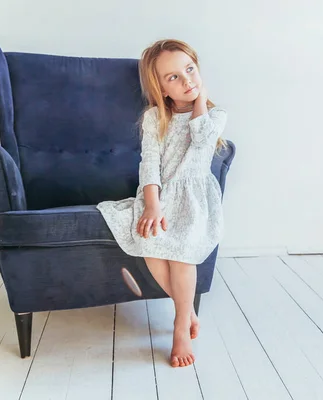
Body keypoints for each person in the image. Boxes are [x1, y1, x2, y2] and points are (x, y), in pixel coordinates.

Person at [97, 38, 227, 368]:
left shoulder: (215, 116)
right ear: (161, 88)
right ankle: (189, 310)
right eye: (173, 77)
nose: (186, 81)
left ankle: (180, 325)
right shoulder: (155, 117)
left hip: (195, 199)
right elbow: (149, 163)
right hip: (158, 195)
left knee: (181, 255)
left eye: (190, 70)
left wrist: (199, 99)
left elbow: (200, 141)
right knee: (150, 245)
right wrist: (152, 205)